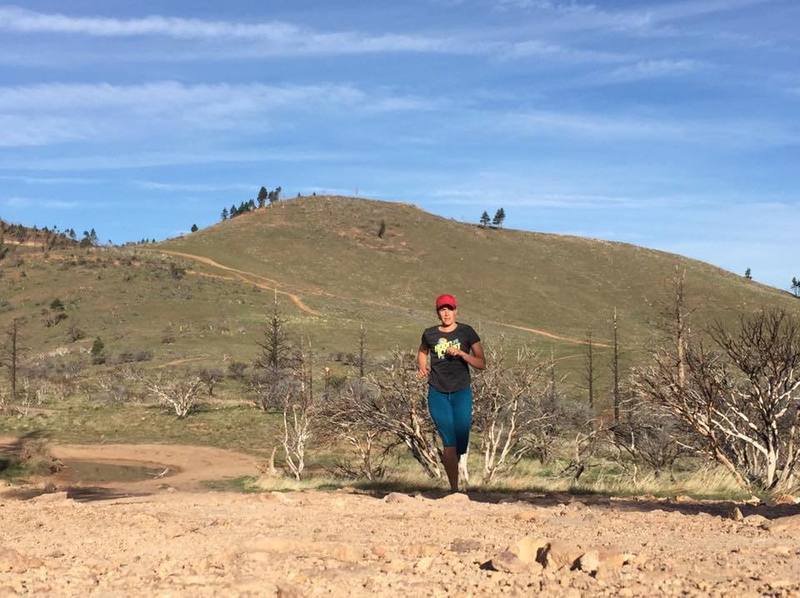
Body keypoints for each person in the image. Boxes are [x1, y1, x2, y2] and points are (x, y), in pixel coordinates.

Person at [417, 293, 486, 492]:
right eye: (442, 309)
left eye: (449, 309)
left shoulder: (467, 332)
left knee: (460, 443)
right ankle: (454, 490)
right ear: (438, 313)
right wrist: (422, 367)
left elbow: (481, 363)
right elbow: (422, 351)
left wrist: (463, 354)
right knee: (449, 442)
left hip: (461, 392)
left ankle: (454, 481)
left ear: (456, 311)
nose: (446, 313)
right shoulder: (429, 334)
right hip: (437, 392)